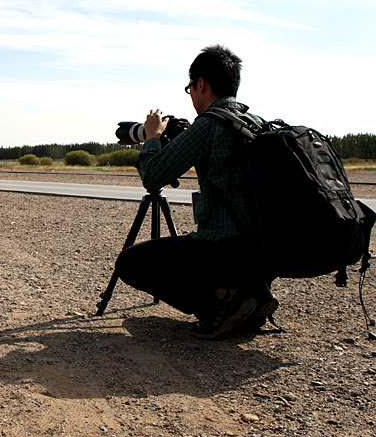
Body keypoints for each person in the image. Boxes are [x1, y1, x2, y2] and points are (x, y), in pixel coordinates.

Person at [114, 44, 278, 340]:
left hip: (224, 249)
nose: (191, 95)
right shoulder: (255, 123)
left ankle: (224, 303)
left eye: (190, 88)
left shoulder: (210, 124)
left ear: (201, 84)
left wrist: (152, 137)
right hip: (264, 251)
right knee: (201, 250)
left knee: (131, 263)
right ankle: (250, 296)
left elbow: (153, 177)